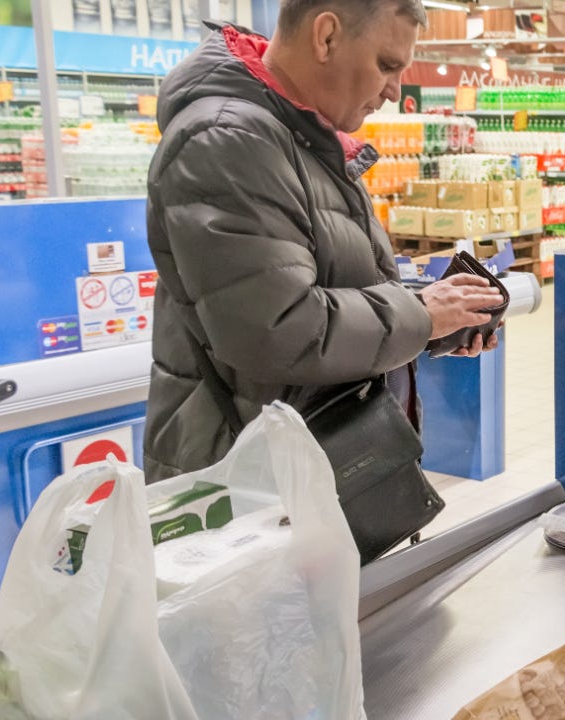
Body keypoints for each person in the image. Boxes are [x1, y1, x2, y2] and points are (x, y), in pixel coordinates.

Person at [143, 0, 504, 481]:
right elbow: (275, 329)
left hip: (300, 474)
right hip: (248, 492)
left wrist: (431, 324)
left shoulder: (304, 137)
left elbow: (321, 292)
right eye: (387, 65)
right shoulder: (226, 139)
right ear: (326, 36)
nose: (395, 91)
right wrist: (419, 317)